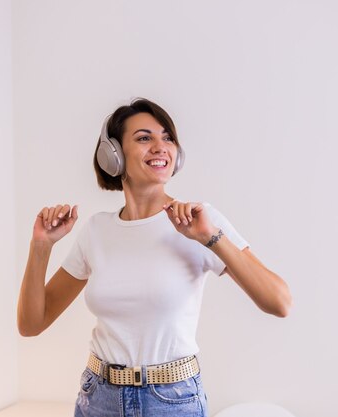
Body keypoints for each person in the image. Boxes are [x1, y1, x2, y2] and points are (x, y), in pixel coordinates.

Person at [17, 98, 292, 417]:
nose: (161, 146)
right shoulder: (97, 230)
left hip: (171, 400)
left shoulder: (200, 221)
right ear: (113, 155)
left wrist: (211, 239)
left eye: (168, 137)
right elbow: (31, 324)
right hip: (97, 397)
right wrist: (41, 247)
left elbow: (279, 302)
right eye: (144, 138)